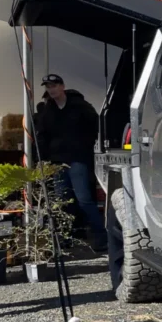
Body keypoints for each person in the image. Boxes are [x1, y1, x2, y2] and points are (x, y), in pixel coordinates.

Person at [34, 74, 107, 252]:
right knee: (62, 201)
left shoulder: (79, 105)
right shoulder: (48, 110)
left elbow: (96, 124)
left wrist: (85, 144)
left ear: (62, 86)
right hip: (57, 161)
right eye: (48, 87)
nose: (51, 90)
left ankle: (101, 237)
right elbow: (42, 135)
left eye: (53, 86)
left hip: (78, 159)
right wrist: (42, 158)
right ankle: (65, 237)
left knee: (84, 200)